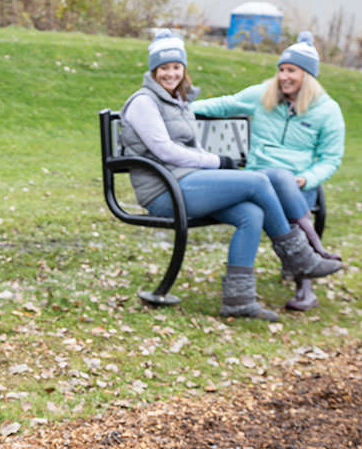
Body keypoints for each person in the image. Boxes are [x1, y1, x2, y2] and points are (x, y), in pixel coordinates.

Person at [119, 30, 342, 321]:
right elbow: (165, 151)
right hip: (164, 191)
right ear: (153, 70)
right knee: (259, 180)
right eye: (163, 68)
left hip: (187, 181)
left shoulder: (178, 101)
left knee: (250, 213)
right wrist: (216, 161)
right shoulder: (144, 102)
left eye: (176, 67)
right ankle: (298, 257)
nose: (170, 73)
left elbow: (191, 145)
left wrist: (212, 163)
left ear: (183, 69)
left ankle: (238, 300)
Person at [192, 32, 345, 310]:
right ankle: (312, 254)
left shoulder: (327, 111)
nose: (284, 76)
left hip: (297, 187)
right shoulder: (263, 95)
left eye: (292, 71)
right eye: (282, 69)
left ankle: (305, 272)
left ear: (308, 76)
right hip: (256, 181)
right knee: (274, 175)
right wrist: (177, 111)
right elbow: (224, 104)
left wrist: (308, 178)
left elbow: (330, 159)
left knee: (283, 177)